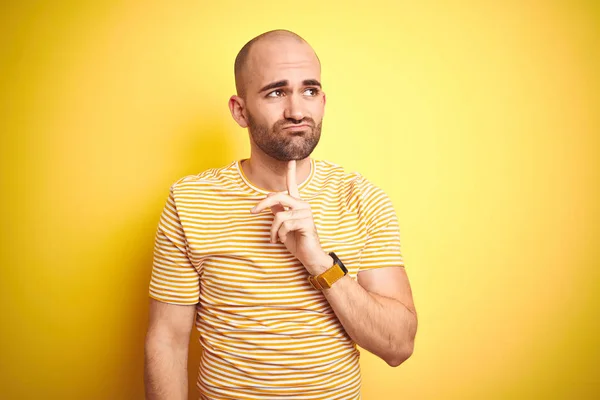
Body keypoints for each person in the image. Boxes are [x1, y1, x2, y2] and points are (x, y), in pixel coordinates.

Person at [144, 29, 418, 400]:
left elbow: (397, 345)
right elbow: (168, 342)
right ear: (240, 110)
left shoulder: (362, 198)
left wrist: (318, 261)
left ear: (322, 99)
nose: (297, 110)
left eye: (309, 90)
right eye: (276, 92)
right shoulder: (189, 199)